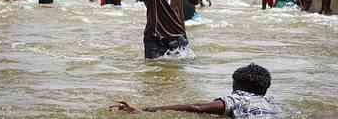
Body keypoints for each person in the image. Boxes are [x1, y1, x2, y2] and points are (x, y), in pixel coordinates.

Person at [110, 63, 278, 118]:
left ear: (236, 87)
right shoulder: (270, 104)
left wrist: (144, 110)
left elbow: (195, 107)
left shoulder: (239, 98)